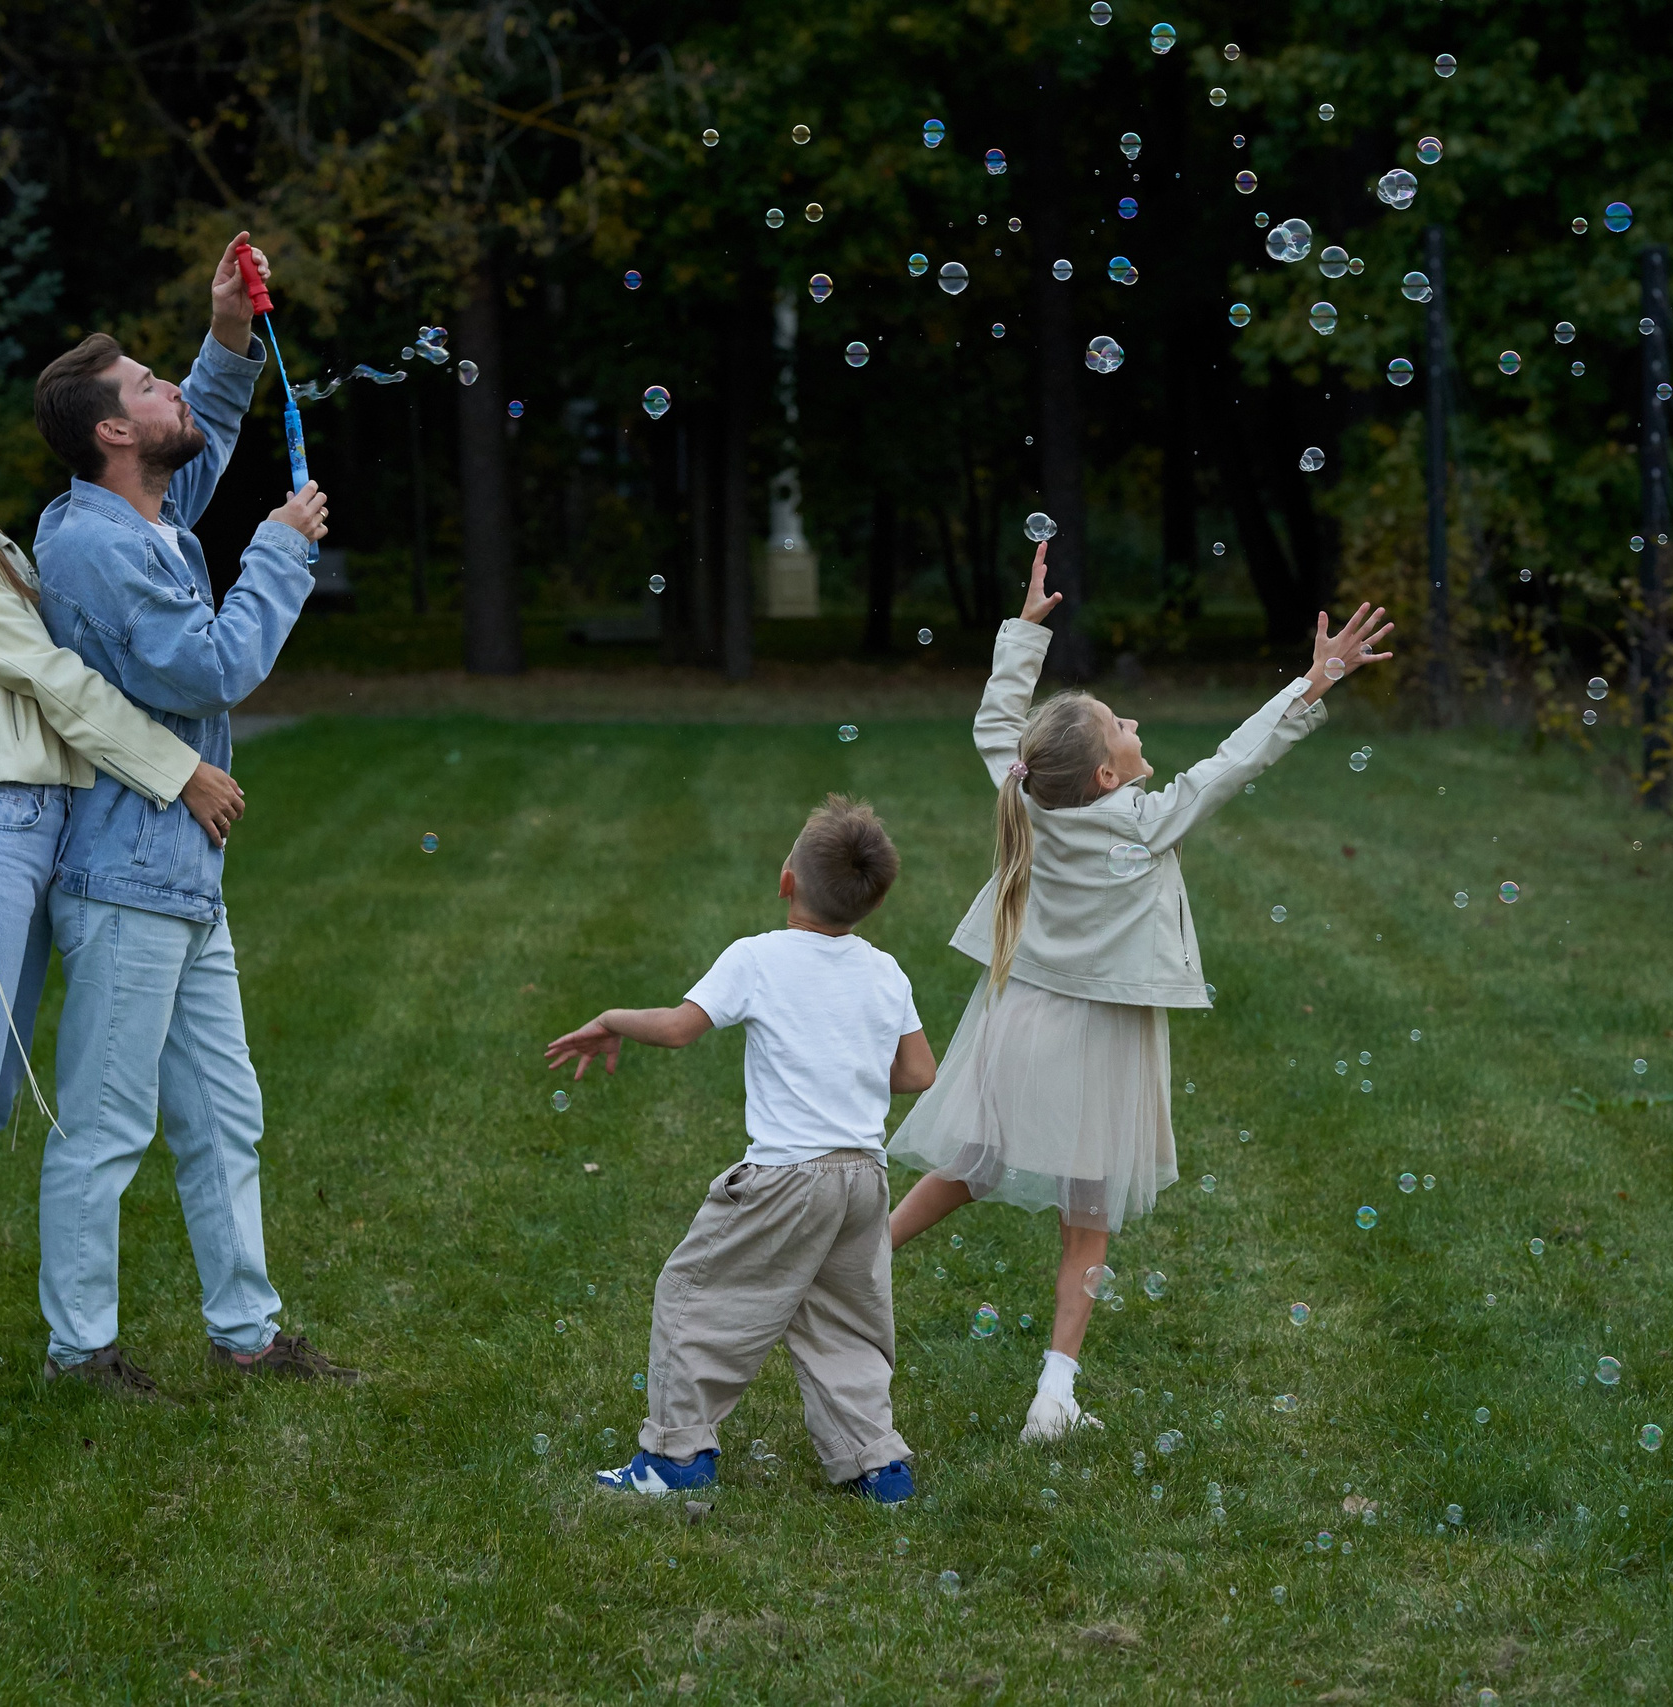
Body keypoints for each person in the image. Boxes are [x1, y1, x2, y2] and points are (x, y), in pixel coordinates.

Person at [886, 543, 1393, 1441]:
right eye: (1120, 723)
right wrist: (1314, 683)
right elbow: (1235, 761)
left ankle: (860, 1257)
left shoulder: (1027, 799)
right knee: (1089, 1221)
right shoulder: (1147, 823)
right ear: (1109, 776)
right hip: (1109, 1036)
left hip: (1020, 1014)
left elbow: (995, 728)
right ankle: (1054, 1393)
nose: (1133, 721)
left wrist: (1023, 634)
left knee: (969, 1162)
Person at [0, 358, 247, 1422]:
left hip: (27, 832)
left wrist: (223, 348)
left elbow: (170, 489)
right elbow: (57, 681)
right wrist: (179, 770)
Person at [24, 235, 356, 1397]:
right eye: (150, 385)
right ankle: (79, 1353)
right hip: (125, 881)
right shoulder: (93, 548)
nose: (171, 389)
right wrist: (280, 552)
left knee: (224, 1116)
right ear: (114, 432)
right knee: (106, 1126)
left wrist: (226, 334)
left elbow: (198, 445)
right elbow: (213, 668)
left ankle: (248, 1334)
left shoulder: (140, 517)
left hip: (180, 875)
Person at [547, 796, 936, 1503]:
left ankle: (675, 1456)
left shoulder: (756, 957)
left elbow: (678, 1028)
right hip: (864, 1178)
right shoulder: (886, 970)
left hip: (786, 1177)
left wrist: (611, 1018)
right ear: (876, 901)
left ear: (787, 880)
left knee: (694, 1297)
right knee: (846, 1322)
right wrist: (842, 1065)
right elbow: (918, 1073)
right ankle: (878, 1465)